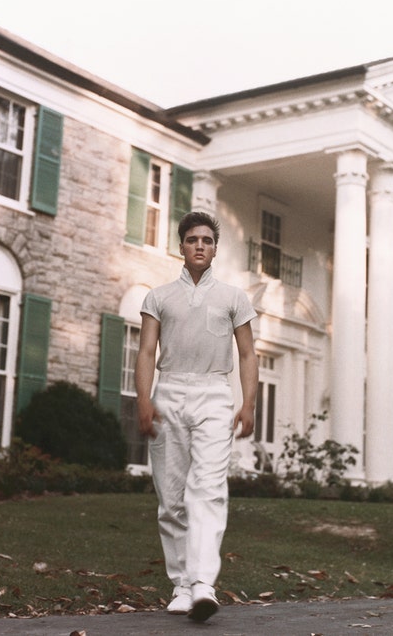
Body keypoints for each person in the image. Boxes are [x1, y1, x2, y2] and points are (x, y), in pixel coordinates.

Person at [135, 211, 258, 622]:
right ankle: (182, 586)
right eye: (192, 240)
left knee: (207, 489)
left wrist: (248, 404)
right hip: (169, 392)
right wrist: (143, 401)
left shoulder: (234, 298)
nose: (200, 245)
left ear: (215, 248)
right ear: (182, 247)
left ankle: (203, 582)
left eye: (207, 239)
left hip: (213, 395)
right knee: (171, 498)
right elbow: (146, 352)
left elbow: (247, 354)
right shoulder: (158, 297)